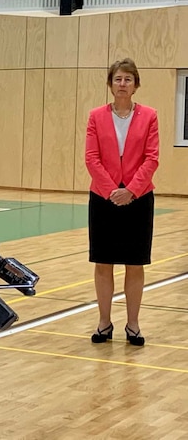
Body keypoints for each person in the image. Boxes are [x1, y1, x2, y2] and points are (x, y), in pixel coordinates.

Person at [85, 58, 159, 346]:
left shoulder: (150, 116)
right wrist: (111, 190)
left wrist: (130, 190)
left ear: (136, 85)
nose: (123, 84)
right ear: (110, 83)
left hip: (138, 199)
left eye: (128, 79)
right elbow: (91, 158)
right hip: (103, 198)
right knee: (103, 262)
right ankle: (104, 322)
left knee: (134, 263)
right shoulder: (96, 116)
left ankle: (133, 324)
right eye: (118, 79)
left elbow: (152, 158)